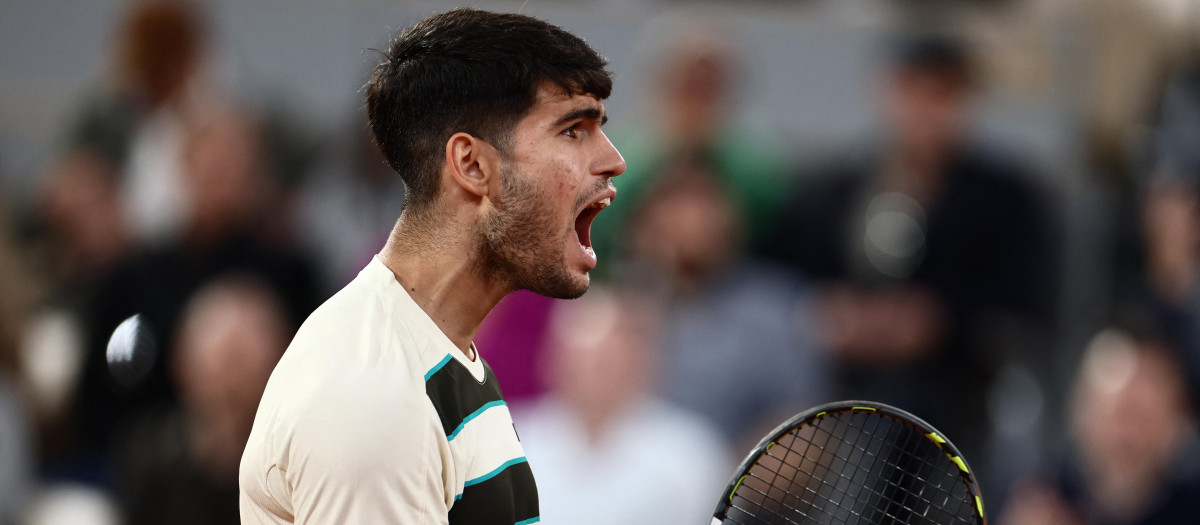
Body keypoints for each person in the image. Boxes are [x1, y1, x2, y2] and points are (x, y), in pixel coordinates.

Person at [239, 8, 625, 525]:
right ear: (471, 165)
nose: (614, 159)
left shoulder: (437, 351)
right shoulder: (374, 403)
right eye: (574, 130)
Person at [514, 288, 731, 524]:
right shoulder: (505, 440)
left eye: (605, 358)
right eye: (578, 354)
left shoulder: (692, 454)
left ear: (642, 358)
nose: (589, 370)